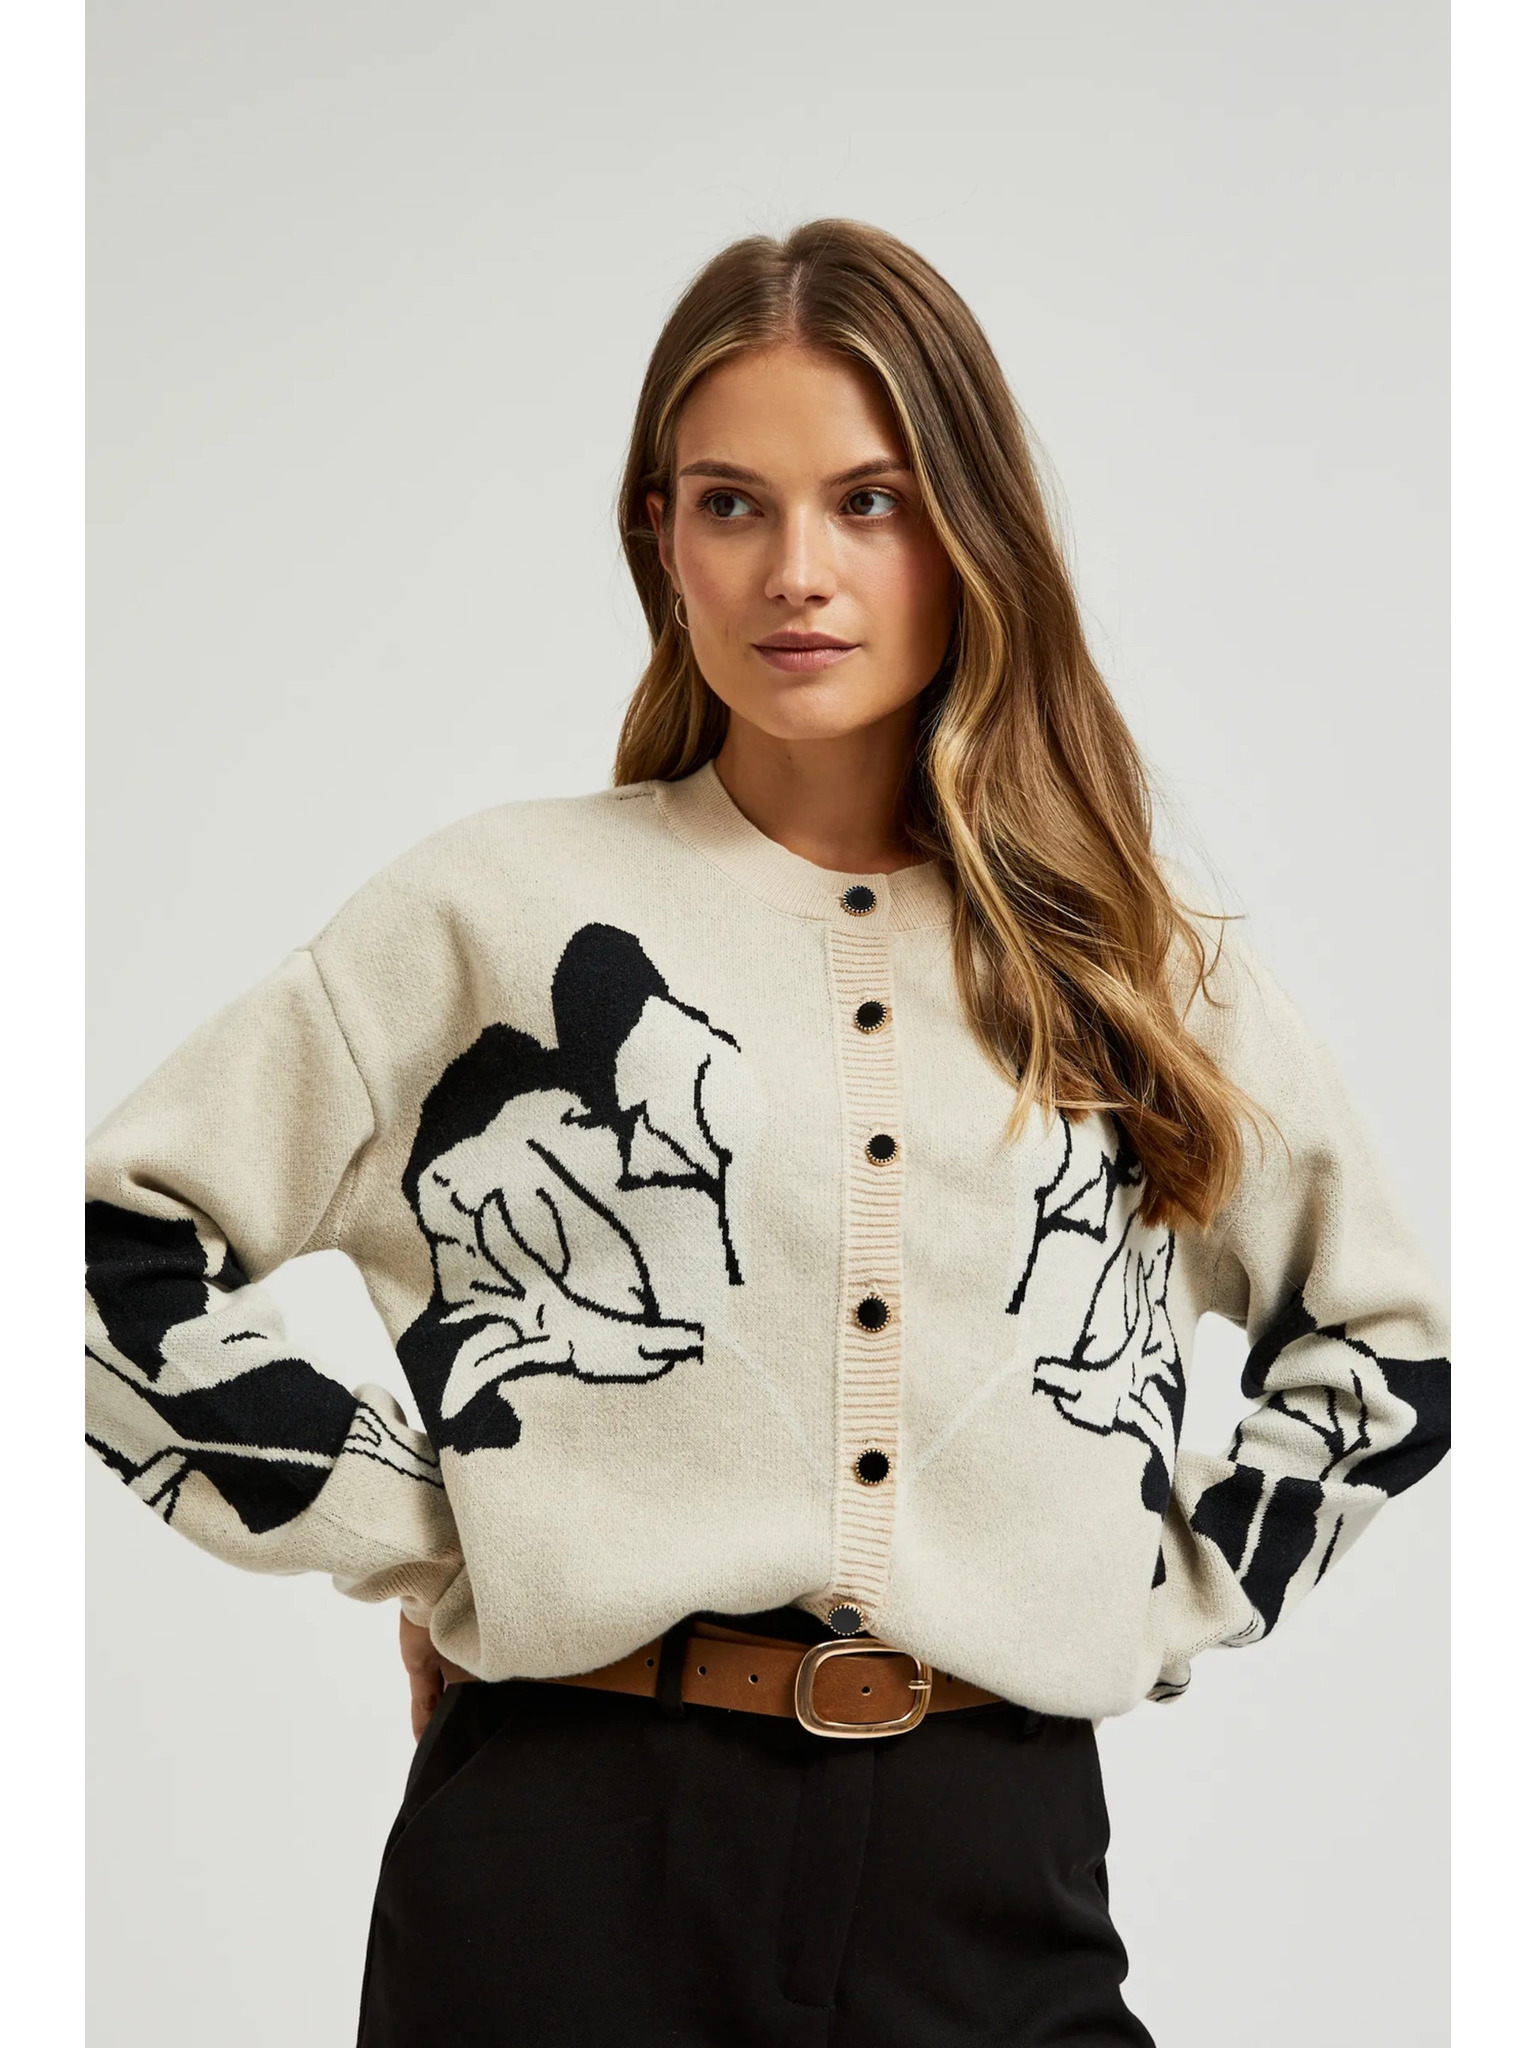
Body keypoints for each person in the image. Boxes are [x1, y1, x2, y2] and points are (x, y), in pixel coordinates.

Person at [85, 219, 1450, 2047]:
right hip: (569, 1860)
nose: (797, 572)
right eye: (733, 504)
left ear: (968, 529)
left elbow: (1385, 1349)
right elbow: (107, 1254)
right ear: (662, 536)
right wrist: (436, 1527)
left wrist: (1155, 1595)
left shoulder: (1123, 961)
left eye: (869, 502)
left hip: (994, 1867)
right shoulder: (492, 913)